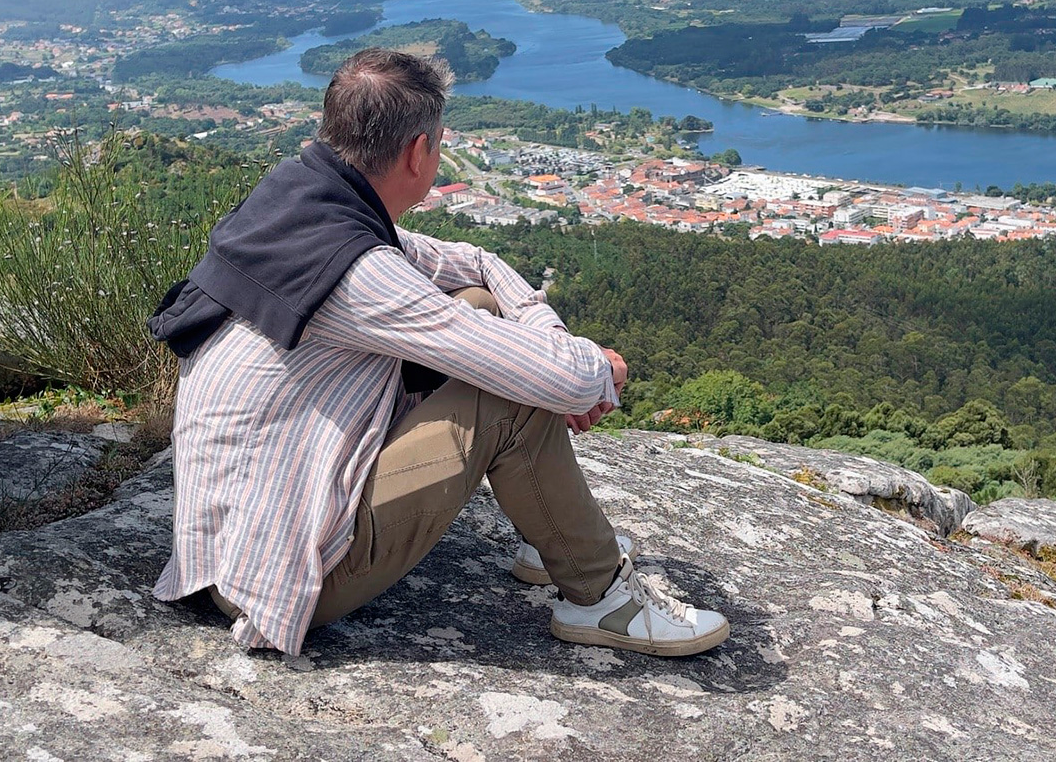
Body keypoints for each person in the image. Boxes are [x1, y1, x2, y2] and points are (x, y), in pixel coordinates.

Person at [148, 47, 729, 659]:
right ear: (418, 152)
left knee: (478, 307)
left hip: (232, 540)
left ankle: (547, 524)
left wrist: (550, 340)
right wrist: (595, 370)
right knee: (512, 392)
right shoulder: (359, 272)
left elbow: (469, 262)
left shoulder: (300, 204)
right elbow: (548, 379)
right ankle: (604, 601)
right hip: (274, 579)